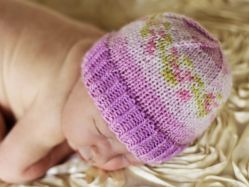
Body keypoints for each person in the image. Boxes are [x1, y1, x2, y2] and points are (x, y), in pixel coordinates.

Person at [0, 0, 232, 184]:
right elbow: (8, 167)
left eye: (127, 156)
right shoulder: (55, 108)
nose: (101, 156)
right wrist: (61, 149)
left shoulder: (103, 51)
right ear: (86, 76)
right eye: (99, 130)